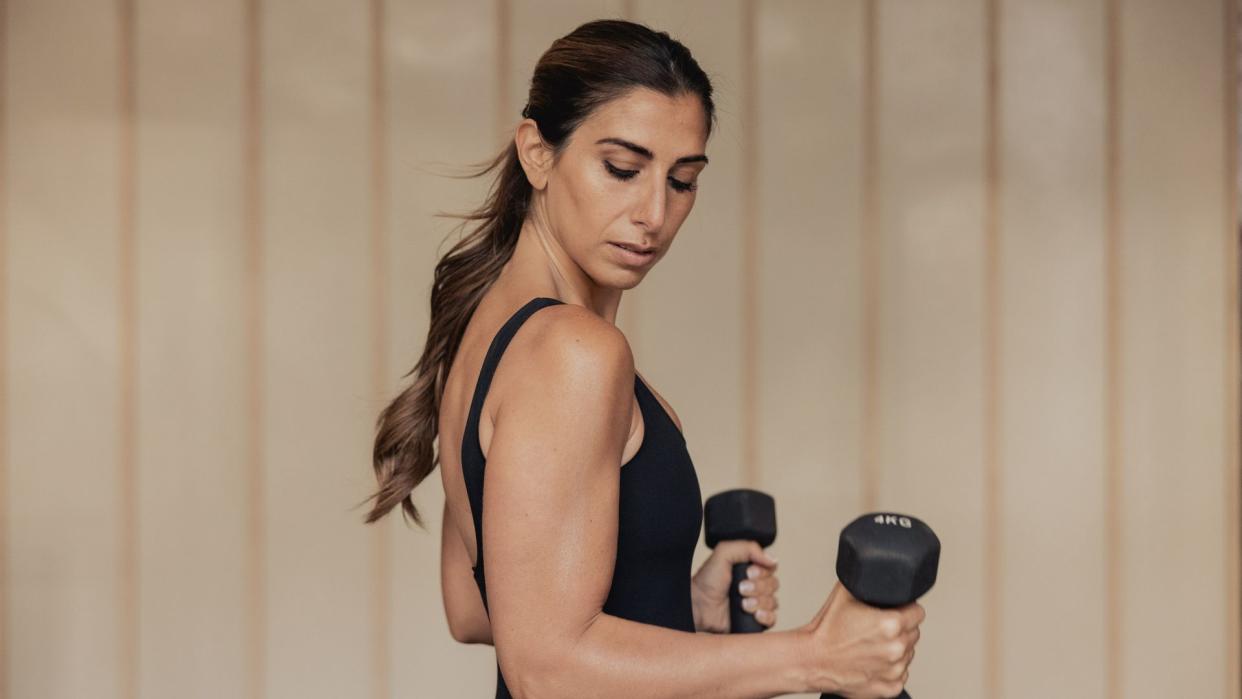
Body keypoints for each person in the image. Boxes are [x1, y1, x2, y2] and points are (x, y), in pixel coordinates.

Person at [362, 18, 923, 699]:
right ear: (537, 153)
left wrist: (680, 603)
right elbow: (545, 668)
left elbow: (476, 607)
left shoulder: (485, 331)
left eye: (682, 180)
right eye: (622, 169)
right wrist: (816, 656)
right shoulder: (573, 353)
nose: (653, 211)